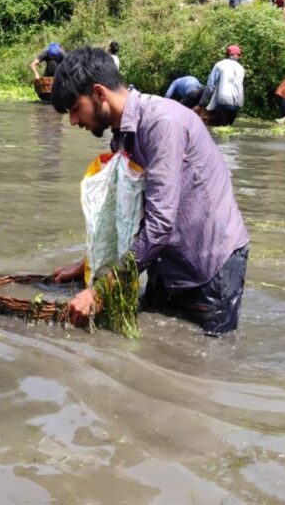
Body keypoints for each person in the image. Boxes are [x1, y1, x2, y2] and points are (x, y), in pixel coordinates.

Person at [50, 47, 250, 335]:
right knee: (157, 343)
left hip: (210, 261)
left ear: (98, 93)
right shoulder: (121, 140)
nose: (73, 122)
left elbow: (159, 225)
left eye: (74, 109)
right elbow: (128, 218)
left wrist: (102, 290)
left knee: (208, 359)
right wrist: (87, 266)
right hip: (165, 260)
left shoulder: (161, 124)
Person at [200, 45, 245, 126]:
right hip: (237, 104)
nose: (239, 57)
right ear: (235, 55)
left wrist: (202, 103)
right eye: (239, 55)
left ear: (227, 54)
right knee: (228, 128)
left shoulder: (219, 65)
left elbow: (210, 86)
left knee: (219, 130)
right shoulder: (241, 68)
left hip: (223, 102)